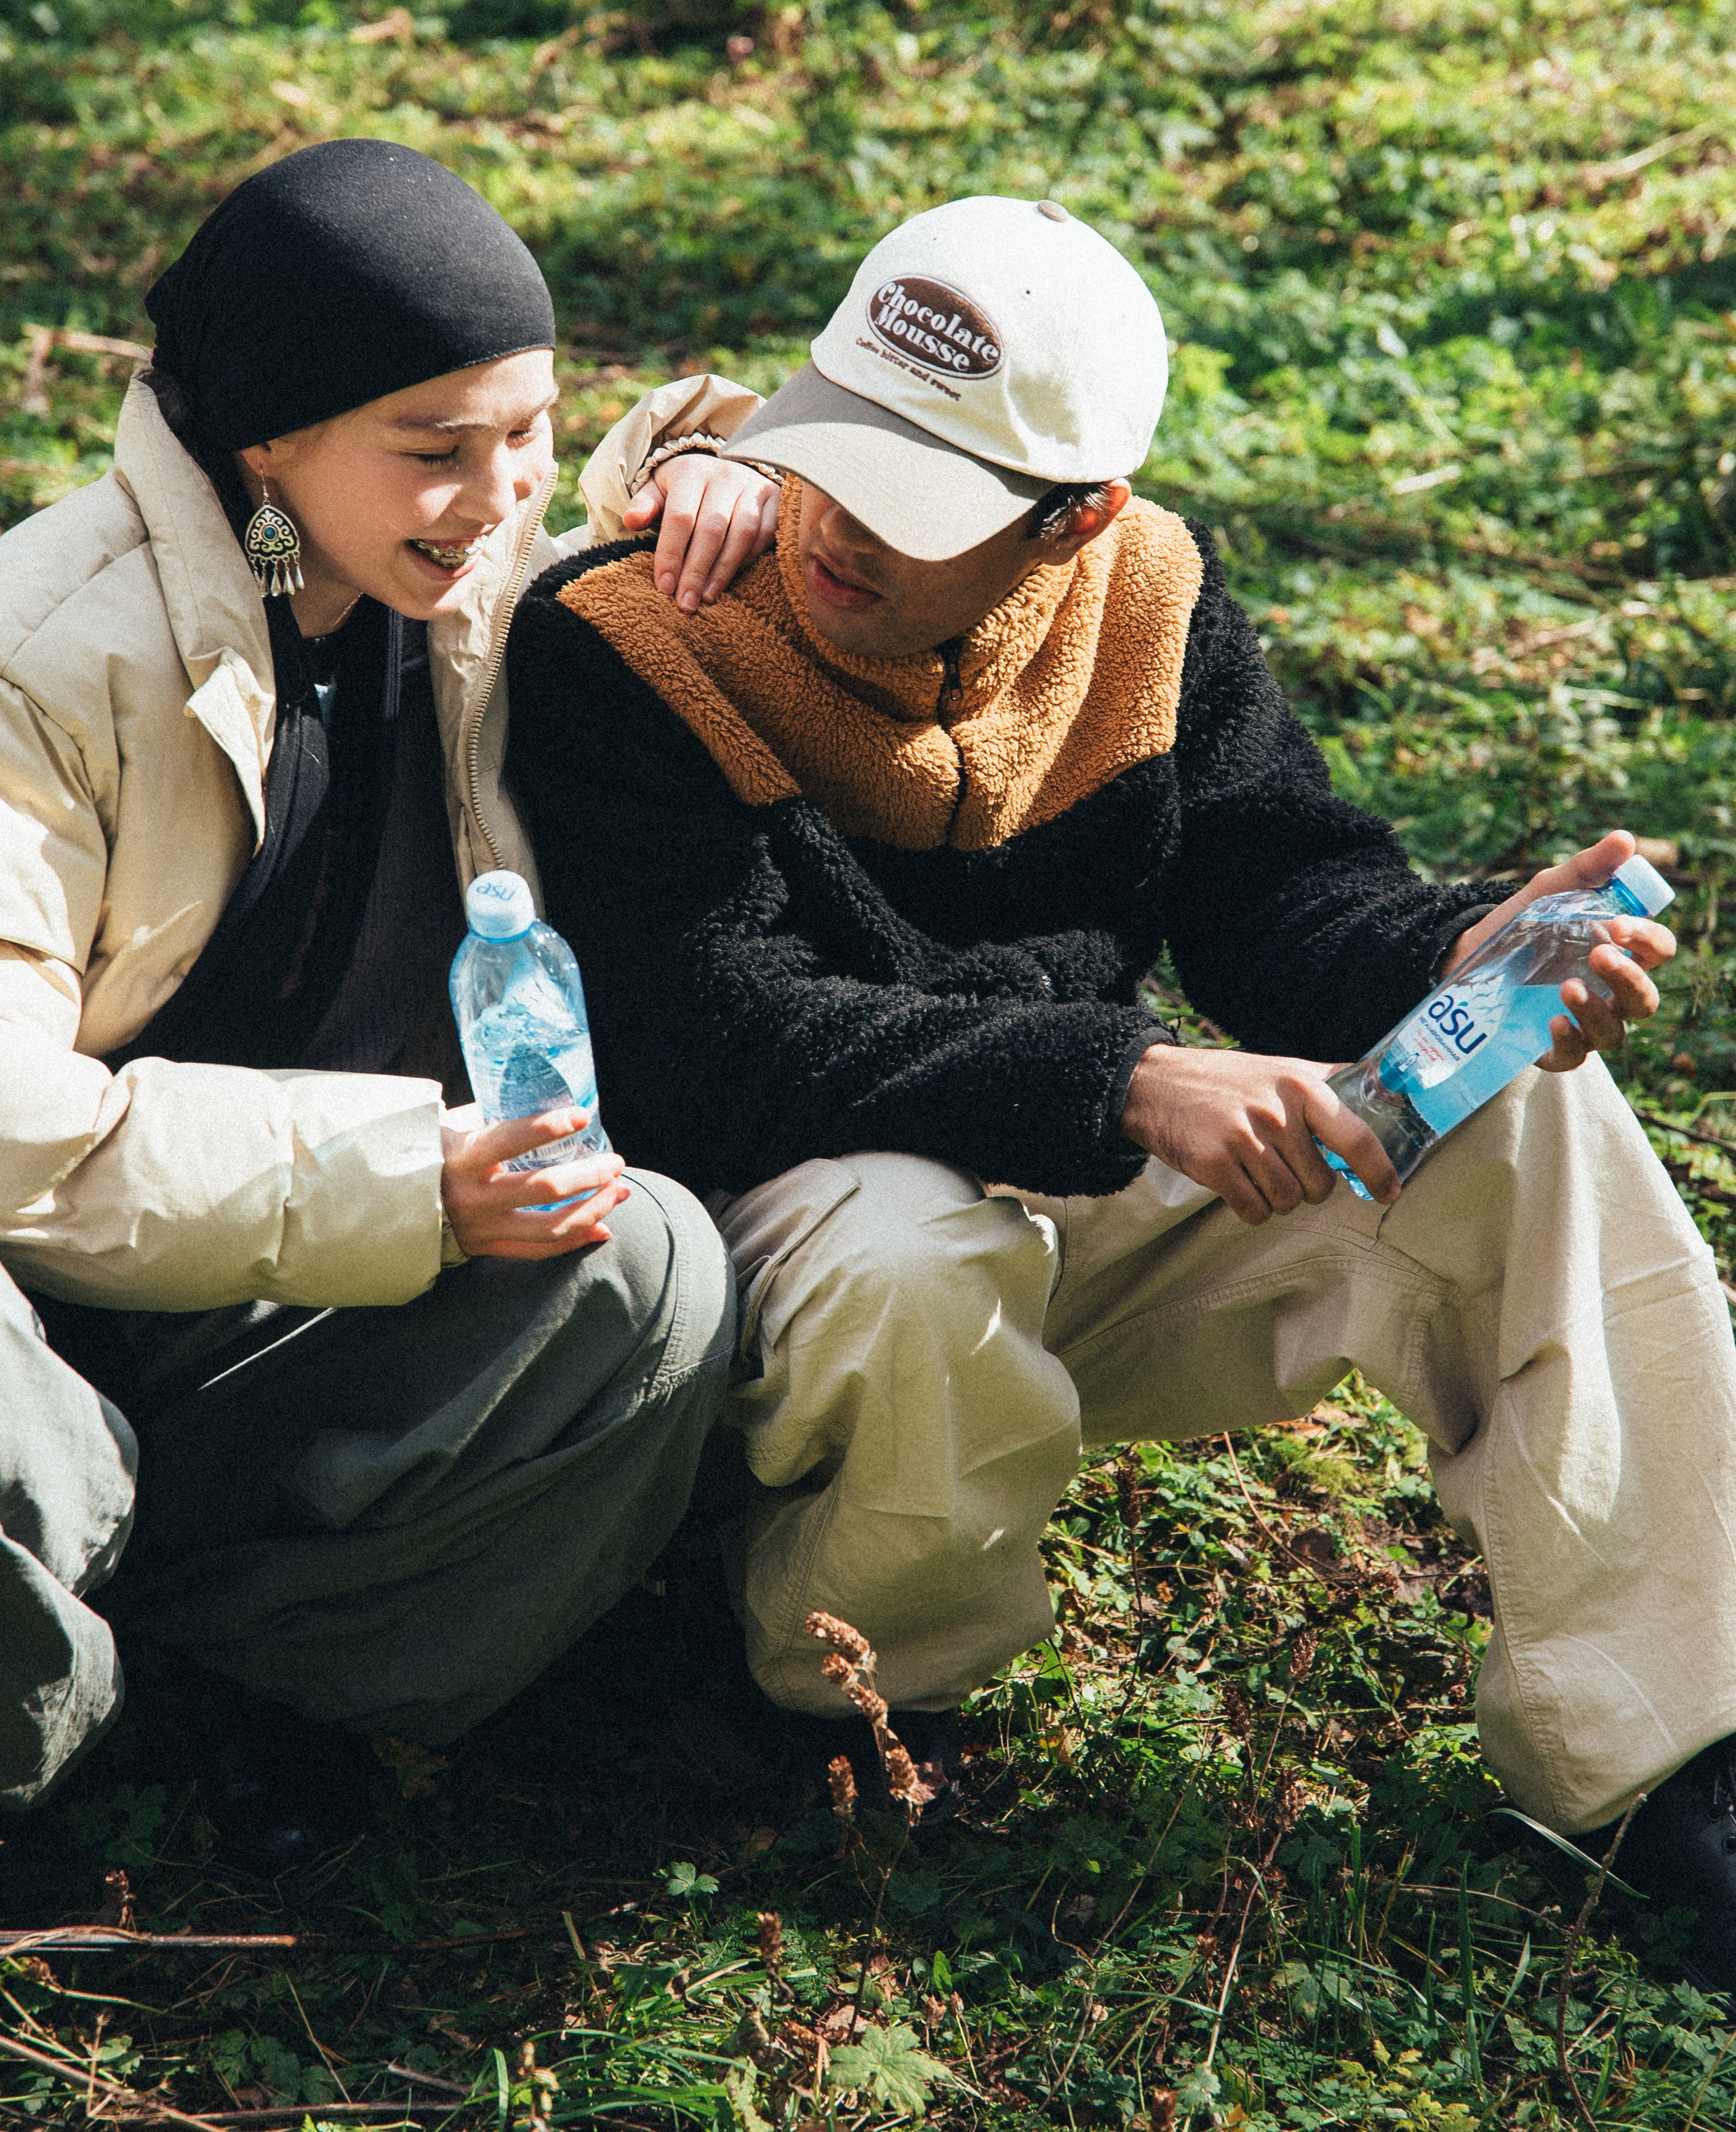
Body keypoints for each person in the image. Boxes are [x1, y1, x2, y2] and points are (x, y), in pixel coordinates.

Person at [506, 192, 1736, 1988]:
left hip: (1075, 1175)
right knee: (909, 1245)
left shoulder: (1151, 601)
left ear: (1076, 517)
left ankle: (1665, 1750)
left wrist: (1456, 951)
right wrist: (1127, 1078)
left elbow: (1274, 893)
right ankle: (851, 1686)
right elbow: (713, 1034)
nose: (839, 523)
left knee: (1522, 1110)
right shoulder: (638, 640)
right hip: (782, 1225)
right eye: (833, 451)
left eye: (921, 497)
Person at [0, 137, 781, 1872]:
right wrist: (405, 1178)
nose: (499, 491)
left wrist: (720, 461)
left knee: (645, 1271)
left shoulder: (468, 582)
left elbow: (639, 502)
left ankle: (254, 1691)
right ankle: (69, 1734)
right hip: (46, 1312)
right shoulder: (41, 654)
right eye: (436, 449)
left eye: (528, 432)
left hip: (282, 1307)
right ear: (263, 440)